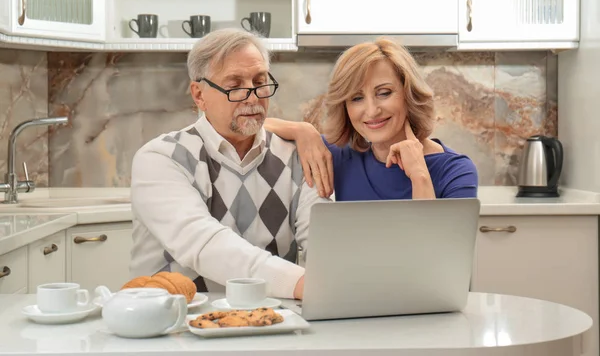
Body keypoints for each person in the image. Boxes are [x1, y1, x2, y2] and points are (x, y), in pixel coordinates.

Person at [129, 28, 327, 300]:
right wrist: (304, 284)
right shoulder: (161, 158)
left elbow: (324, 243)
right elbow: (204, 244)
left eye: (260, 82)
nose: (253, 96)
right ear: (199, 95)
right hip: (174, 324)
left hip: (271, 321)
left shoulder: (299, 156)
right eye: (235, 86)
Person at [264, 37, 478, 201]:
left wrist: (419, 175)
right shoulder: (340, 156)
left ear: (408, 94)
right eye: (356, 98)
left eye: (384, 93)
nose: (372, 110)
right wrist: (303, 130)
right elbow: (254, 127)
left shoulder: (455, 171)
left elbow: (439, 254)